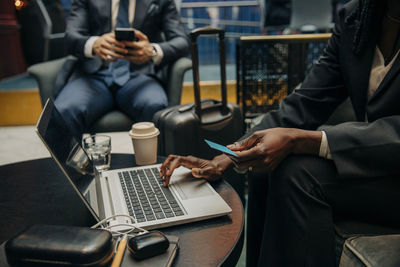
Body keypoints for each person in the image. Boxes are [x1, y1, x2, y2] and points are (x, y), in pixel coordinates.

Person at [160, 0, 400, 266]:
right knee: (265, 167)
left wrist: (304, 140)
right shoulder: (357, 16)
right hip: (372, 163)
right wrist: (229, 154)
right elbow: (307, 100)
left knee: (298, 173)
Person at [54, 0, 190, 137]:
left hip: (139, 75)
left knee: (155, 105)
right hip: (93, 74)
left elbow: (182, 41)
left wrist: (152, 51)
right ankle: (72, 159)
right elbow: (71, 37)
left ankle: (155, 159)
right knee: (65, 110)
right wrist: (94, 44)